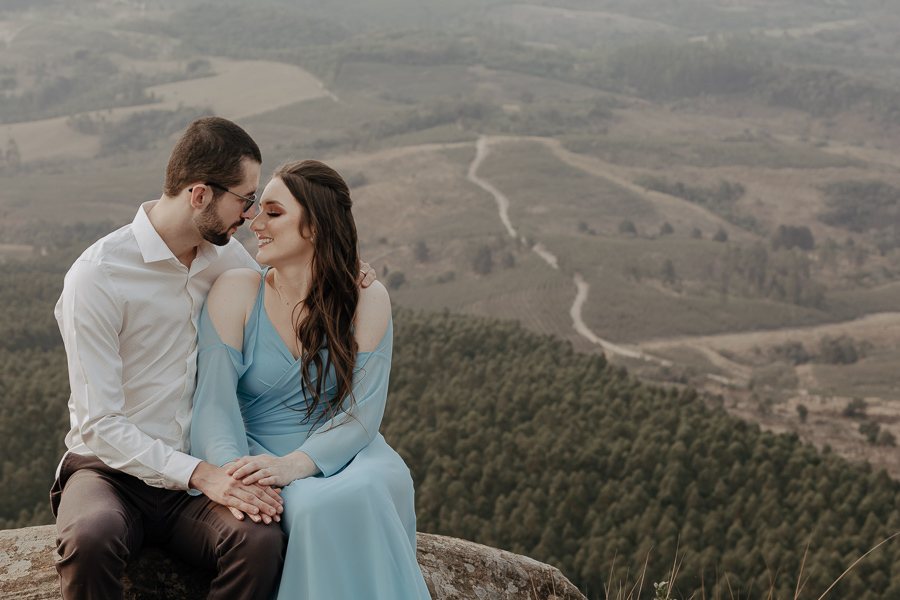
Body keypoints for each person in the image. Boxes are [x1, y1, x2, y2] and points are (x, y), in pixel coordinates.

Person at [52, 117, 374, 600]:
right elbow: (100, 424)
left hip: (202, 478)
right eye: (244, 199)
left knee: (260, 542)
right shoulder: (96, 277)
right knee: (89, 538)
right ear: (200, 194)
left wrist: (344, 270)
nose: (249, 216)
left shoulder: (228, 261)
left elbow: (288, 290)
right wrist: (205, 476)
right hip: (109, 471)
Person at [190, 159, 432, 600]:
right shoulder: (238, 291)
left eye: (274, 213)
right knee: (313, 505)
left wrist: (297, 465)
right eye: (256, 209)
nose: (255, 223)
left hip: (350, 449)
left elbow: (363, 412)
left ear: (316, 226)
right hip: (257, 454)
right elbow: (213, 405)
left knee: (368, 489)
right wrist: (235, 477)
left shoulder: (365, 297)